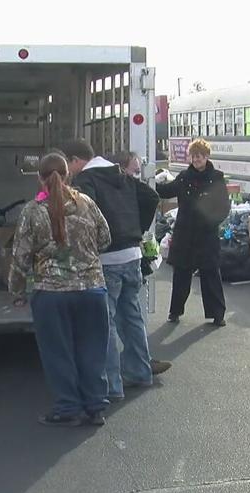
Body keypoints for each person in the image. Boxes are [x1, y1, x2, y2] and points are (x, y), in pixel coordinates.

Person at [10, 152, 112, 426]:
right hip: (91, 290)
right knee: (92, 349)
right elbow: (105, 238)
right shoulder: (87, 203)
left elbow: (20, 257)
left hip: (51, 294)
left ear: (40, 178)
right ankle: (95, 407)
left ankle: (68, 408)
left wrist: (17, 291)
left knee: (59, 352)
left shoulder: (32, 211)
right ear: (68, 175)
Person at [65, 141, 170, 402]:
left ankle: (112, 384)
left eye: (69, 165)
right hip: (132, 255)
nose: (69, 171)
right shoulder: (120, 174)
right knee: (131, 315)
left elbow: (82, 215)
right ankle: (140, 372)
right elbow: (151, 197)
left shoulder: (86, 179)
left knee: (106, 322)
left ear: (76, 160)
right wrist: (135, 228)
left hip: (107, 258)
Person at [155, 138, 230, 326]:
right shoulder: (183, 177)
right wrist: (150, 181)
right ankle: (175, 311)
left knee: (211, 274)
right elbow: (165, 192)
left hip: (207, 233)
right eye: (194, 156)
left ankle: (217, 314)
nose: (196, 159)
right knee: (181, 274)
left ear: (207, 157)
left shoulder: (217, 178)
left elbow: (223, 206)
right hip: (185, 233)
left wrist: (212, 222)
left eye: (200, 156)